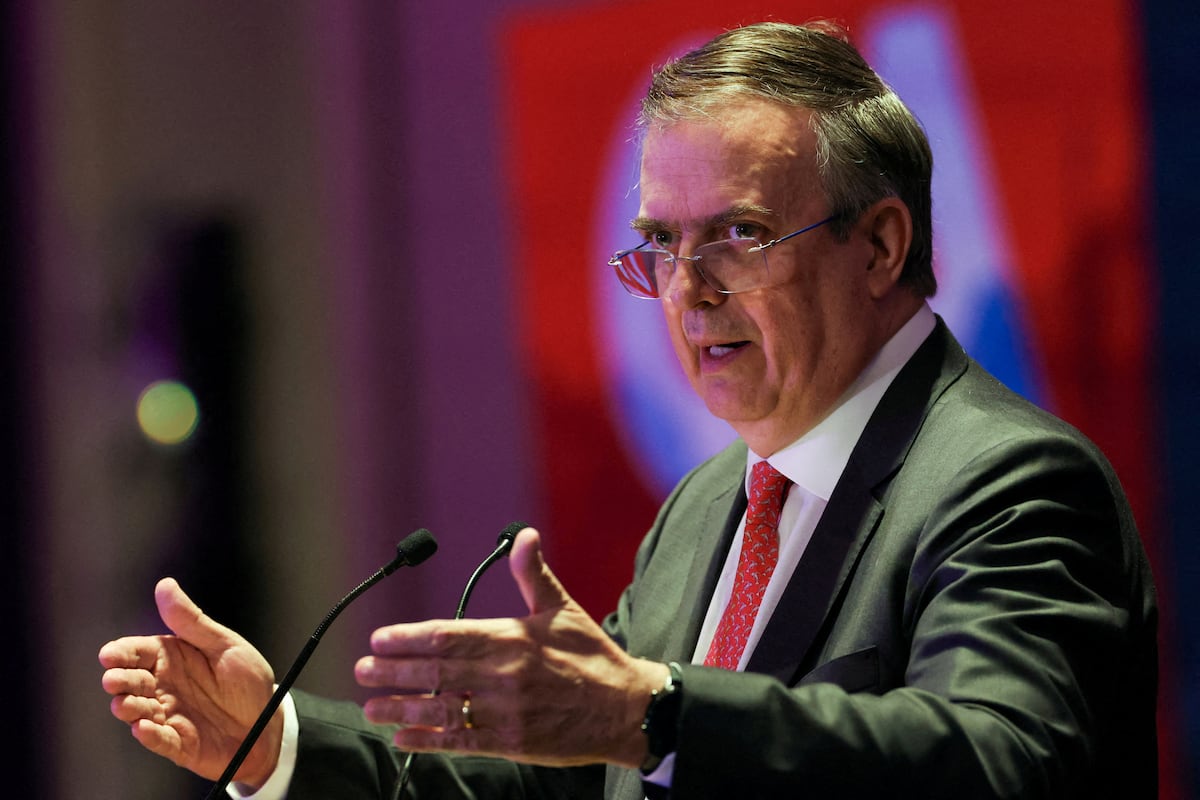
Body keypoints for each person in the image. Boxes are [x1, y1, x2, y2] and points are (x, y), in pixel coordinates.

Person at [99, 20, 1158, 799]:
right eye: (661, 243)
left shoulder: (1005, 481)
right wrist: (279, 741)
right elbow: (565, 780)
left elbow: (1002, 763)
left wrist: (655, 711)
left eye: (739, 235)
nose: (689, 291)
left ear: (880, 245)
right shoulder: (709, 505)